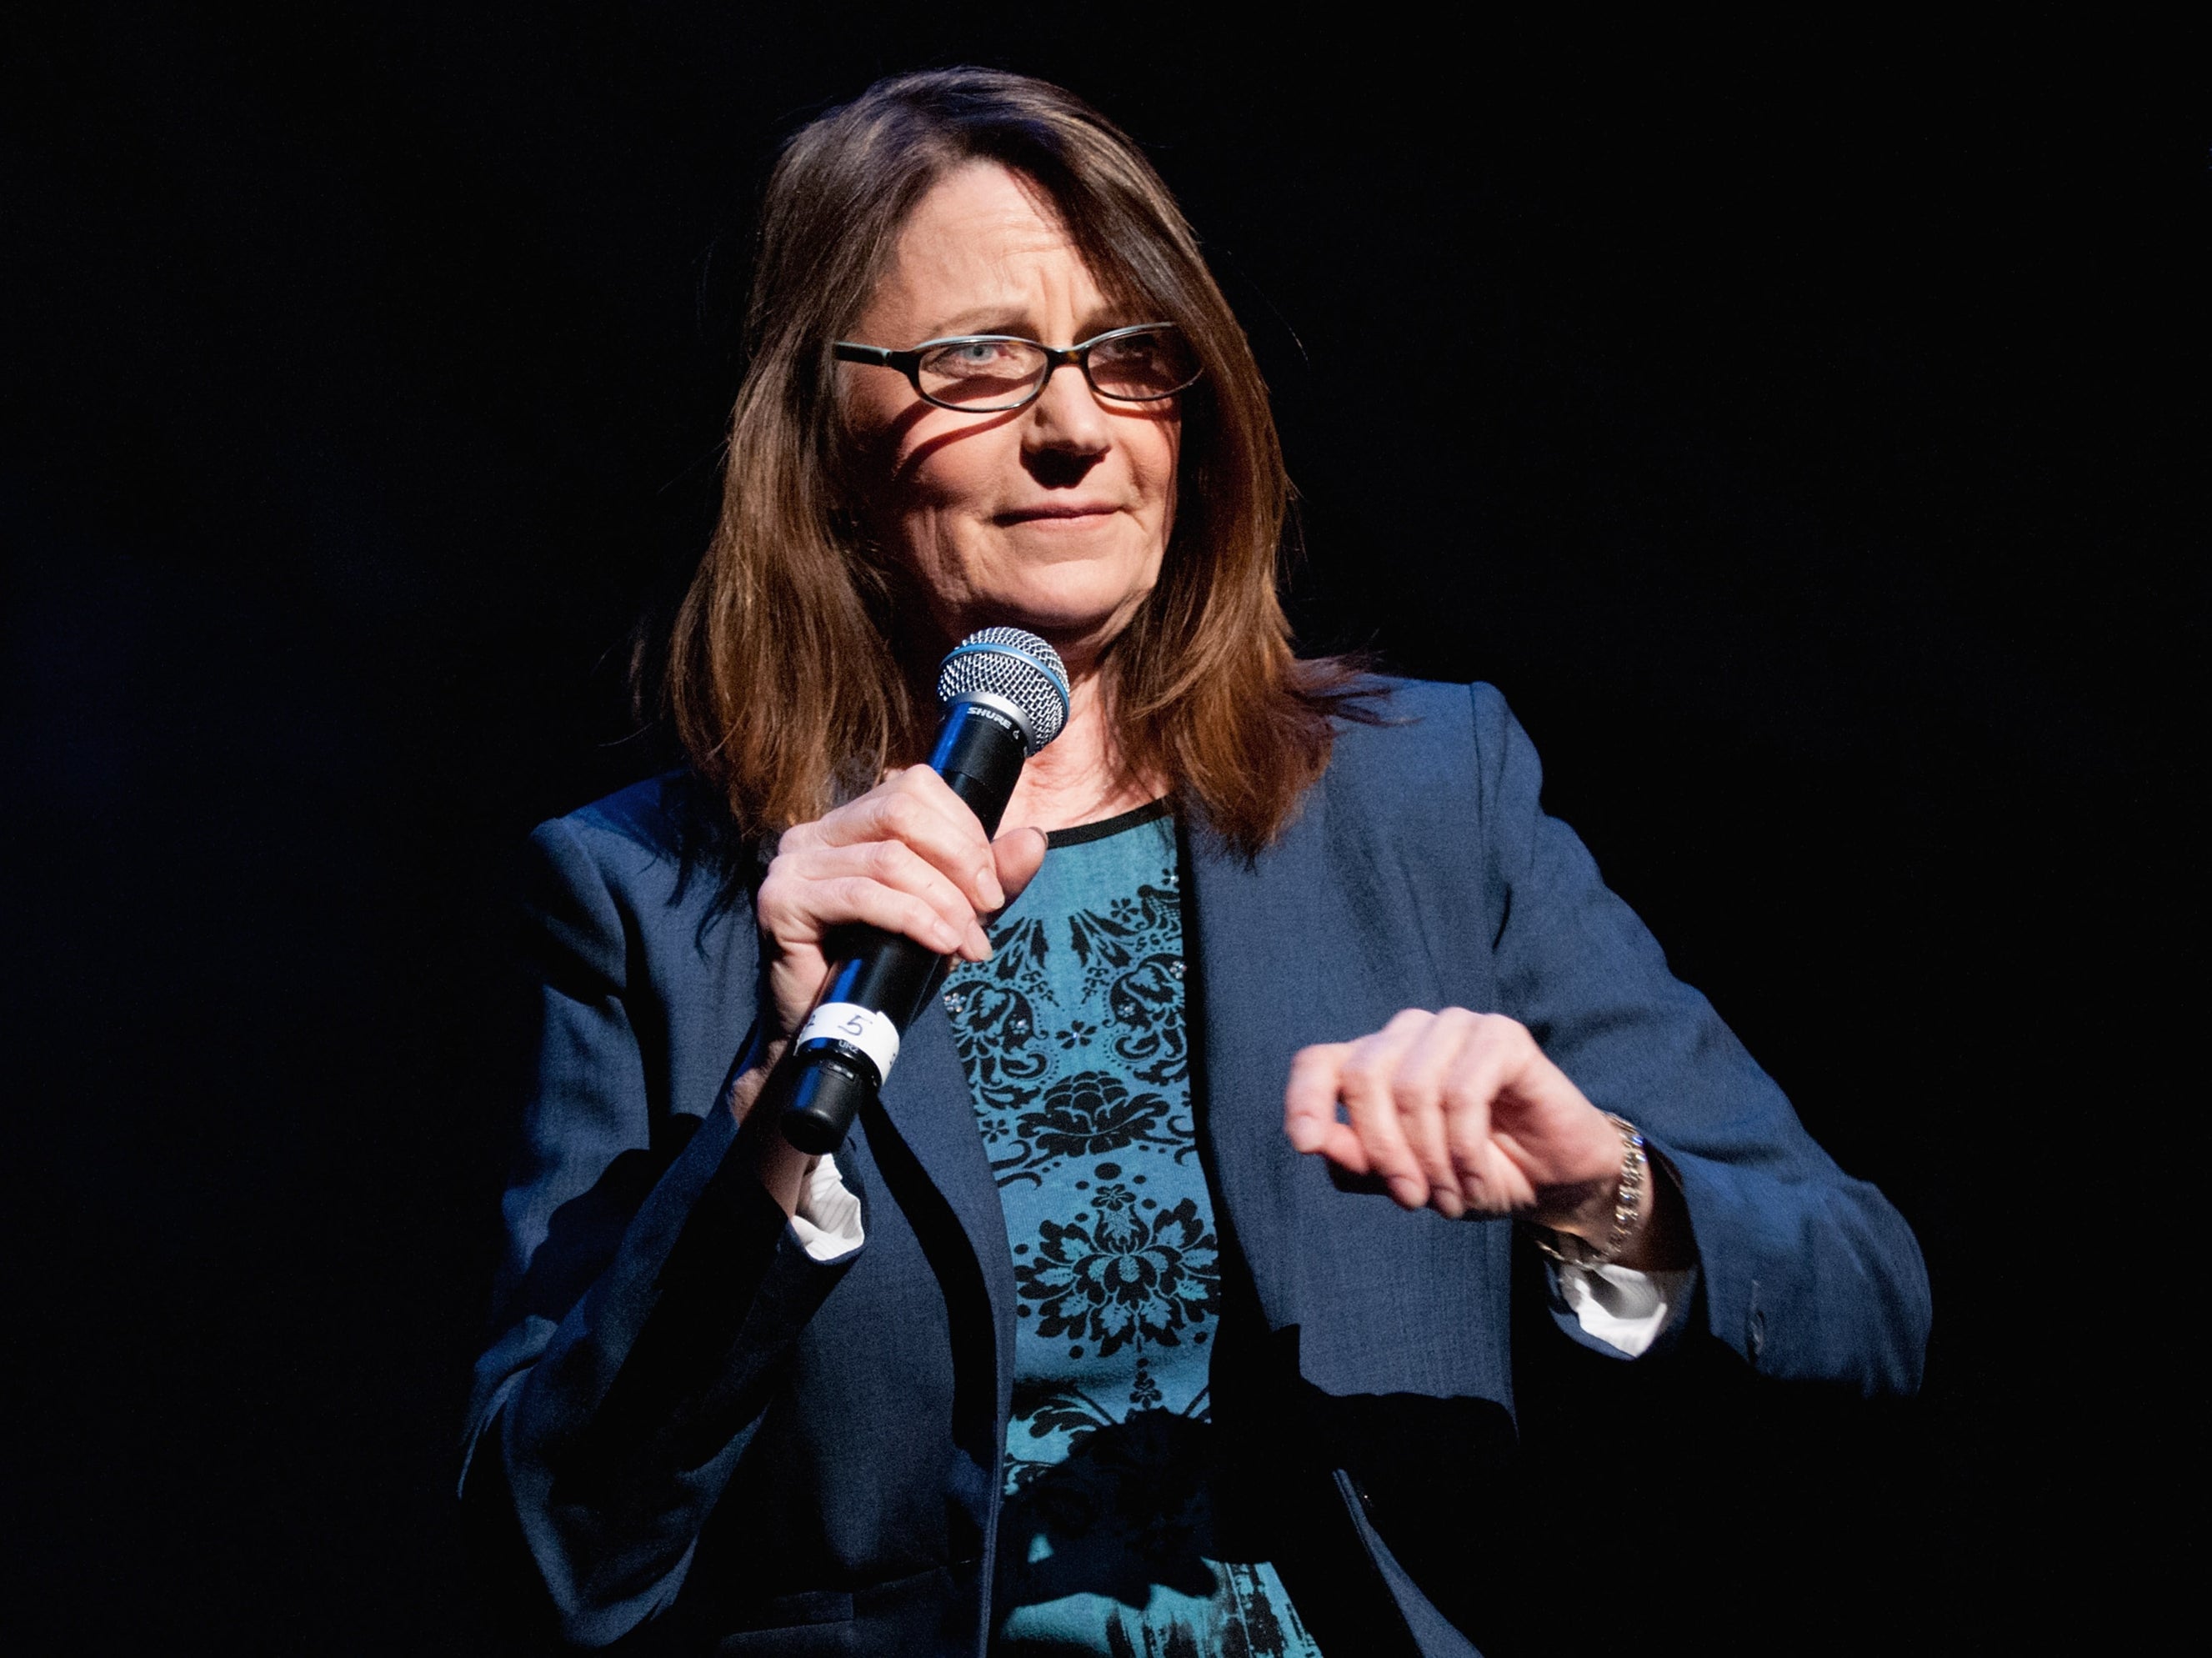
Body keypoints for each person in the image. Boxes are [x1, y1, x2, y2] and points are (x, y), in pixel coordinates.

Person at [462, 68, 1929, 1656]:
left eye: (1128, 356)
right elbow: (550, 1558)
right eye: (978, 361)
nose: (1075, 427)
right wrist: (763, 1131)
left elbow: (1864, 1297)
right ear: (822, 438)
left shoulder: (1424, 797)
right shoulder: (656, 895)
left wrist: (1601, 1183)